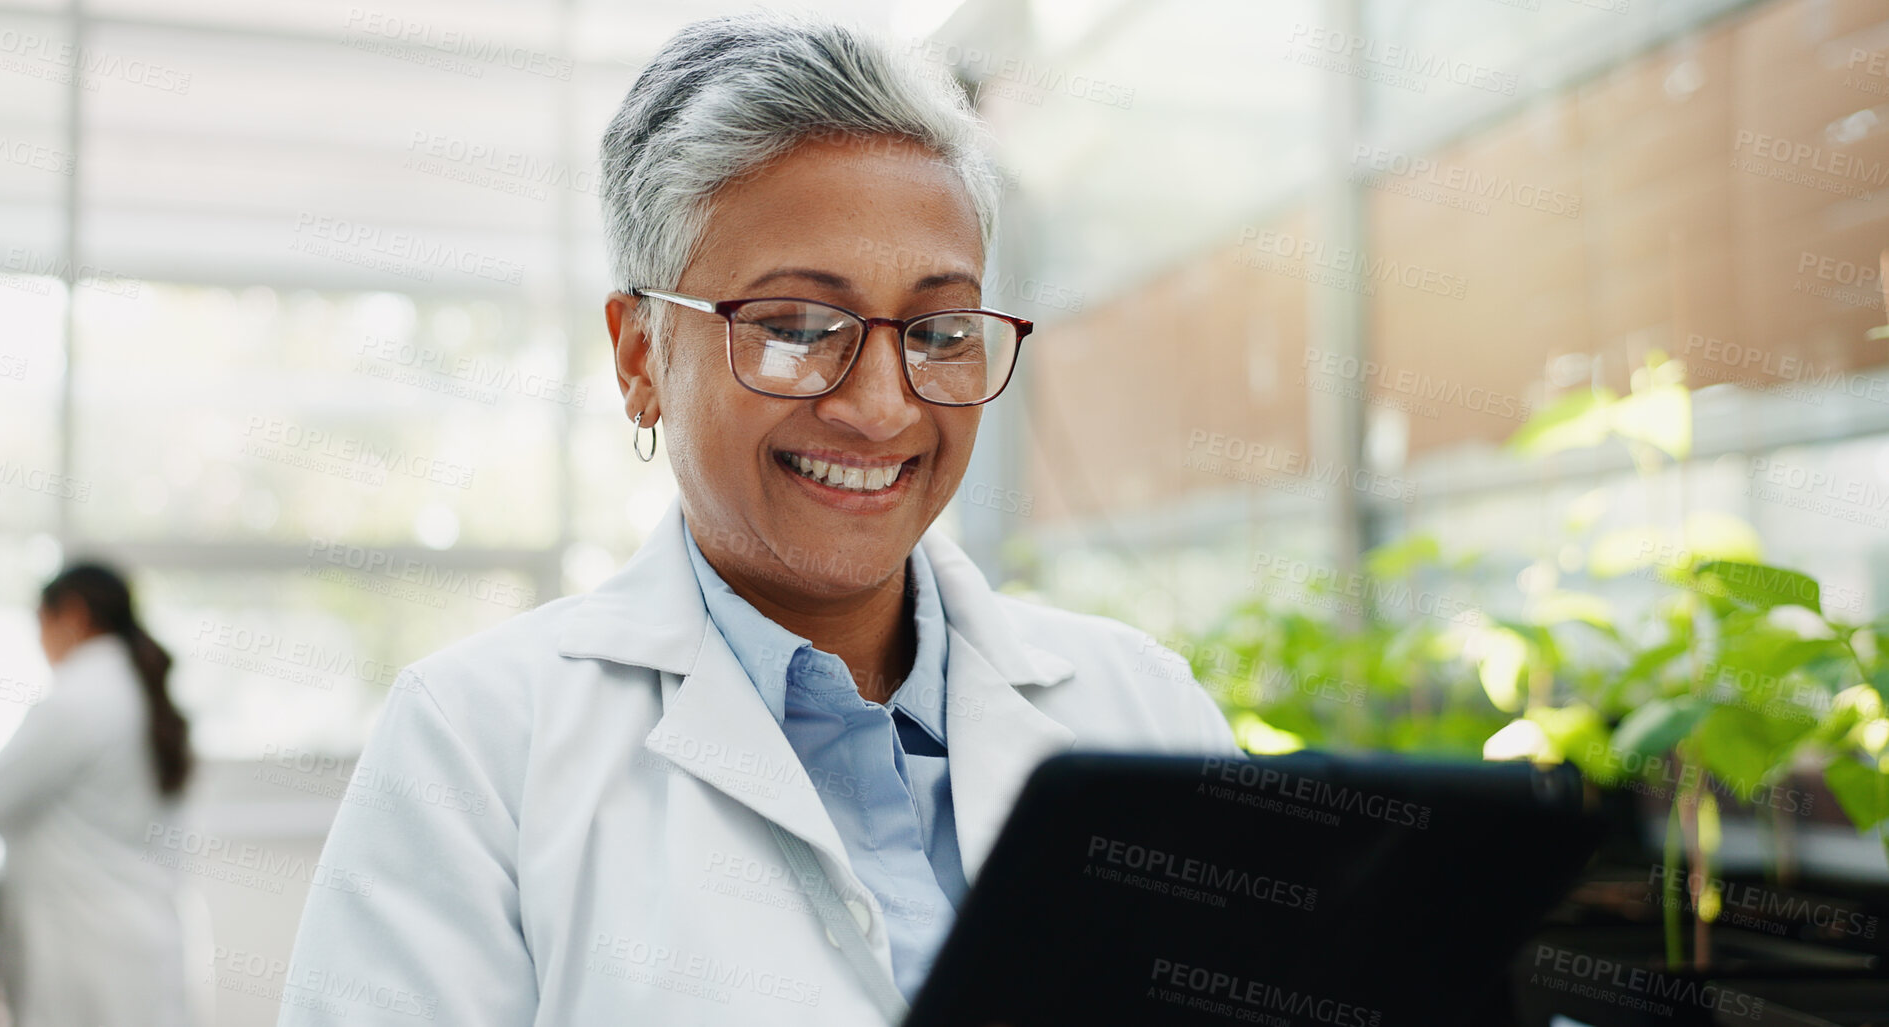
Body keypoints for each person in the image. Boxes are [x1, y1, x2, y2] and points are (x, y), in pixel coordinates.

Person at [277, 12, 1235, 1026]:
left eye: (941, 330)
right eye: (793, 328)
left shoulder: (1144, 712)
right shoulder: (478, 750)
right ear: (641, 355)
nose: (882, 406)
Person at [0, 562, 193, 1027]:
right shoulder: (136, 691)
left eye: (40, 625)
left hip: (88, 947)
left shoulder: (76, 703)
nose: (39, 643)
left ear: (72, 616)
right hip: (142, 934)